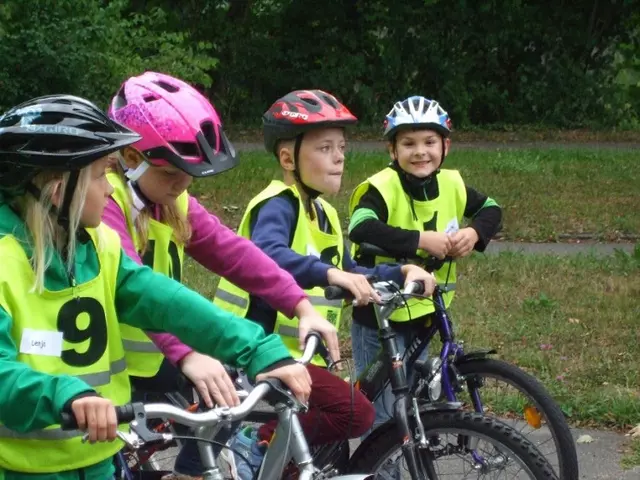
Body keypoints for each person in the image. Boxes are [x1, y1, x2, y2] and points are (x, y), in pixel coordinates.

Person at [0, 94, 311, 480]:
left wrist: (256, 348)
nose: (111, 189)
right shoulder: (4, 262)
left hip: (101, 463)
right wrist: (65, 394)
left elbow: (165, 301)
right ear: (59, 192)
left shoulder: (99, 248)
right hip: (24, 471)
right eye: (100, 176)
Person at [104, 72, 336, 479]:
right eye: (172, 173)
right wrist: (188, 353)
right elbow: (137, 288)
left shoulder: (169, 198)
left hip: (152, 355)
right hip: (110, 366)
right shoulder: (104, 201)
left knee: (227, 394)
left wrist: (298, 303)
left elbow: (233, 253)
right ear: (130, 158)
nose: (183, 184)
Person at [213, 89, 436, 479]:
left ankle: (272, 455)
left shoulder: (325, 214)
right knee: (357, 412)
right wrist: (331, 274)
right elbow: (267, 253)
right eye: (325, 148)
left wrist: (401, 271)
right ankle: (258, 442)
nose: (339, 157)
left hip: (298, 356)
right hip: (253, 352)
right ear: (288, 158)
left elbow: (350, 271)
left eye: (342, 147)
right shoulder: (278, 203)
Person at [348, 95, 503, 428]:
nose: (420, 151)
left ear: (445, 145)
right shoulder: (381, 186)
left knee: (408, 399)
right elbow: (360, 227)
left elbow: (491, 209)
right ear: (393, 150)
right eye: (408, 143)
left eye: (429, 142)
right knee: (382, 410)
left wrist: (474, 233)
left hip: (424, 309)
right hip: (380, 311)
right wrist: (419, 240)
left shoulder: (451, 183)